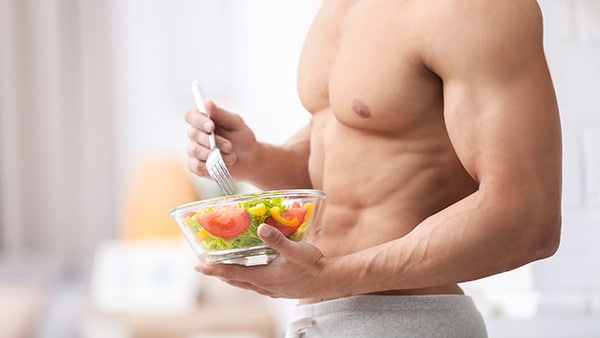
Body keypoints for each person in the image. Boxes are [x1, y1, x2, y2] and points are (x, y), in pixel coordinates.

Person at [184, 0, 562, 337]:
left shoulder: (476, 7)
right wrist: (254, 158)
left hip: (408, 323)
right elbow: (342, 173)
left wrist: (332, 277)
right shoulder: (336, 9)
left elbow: (528, 217)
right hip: (314, 321)